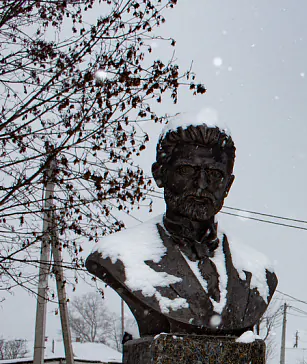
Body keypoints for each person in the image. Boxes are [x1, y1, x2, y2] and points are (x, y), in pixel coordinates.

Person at [86, 123, 277, 336]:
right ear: (160, 174)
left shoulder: (260, 273)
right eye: (186, 170)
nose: (201, 184)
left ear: (228, 185)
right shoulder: (119, 258)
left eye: (214, 174)